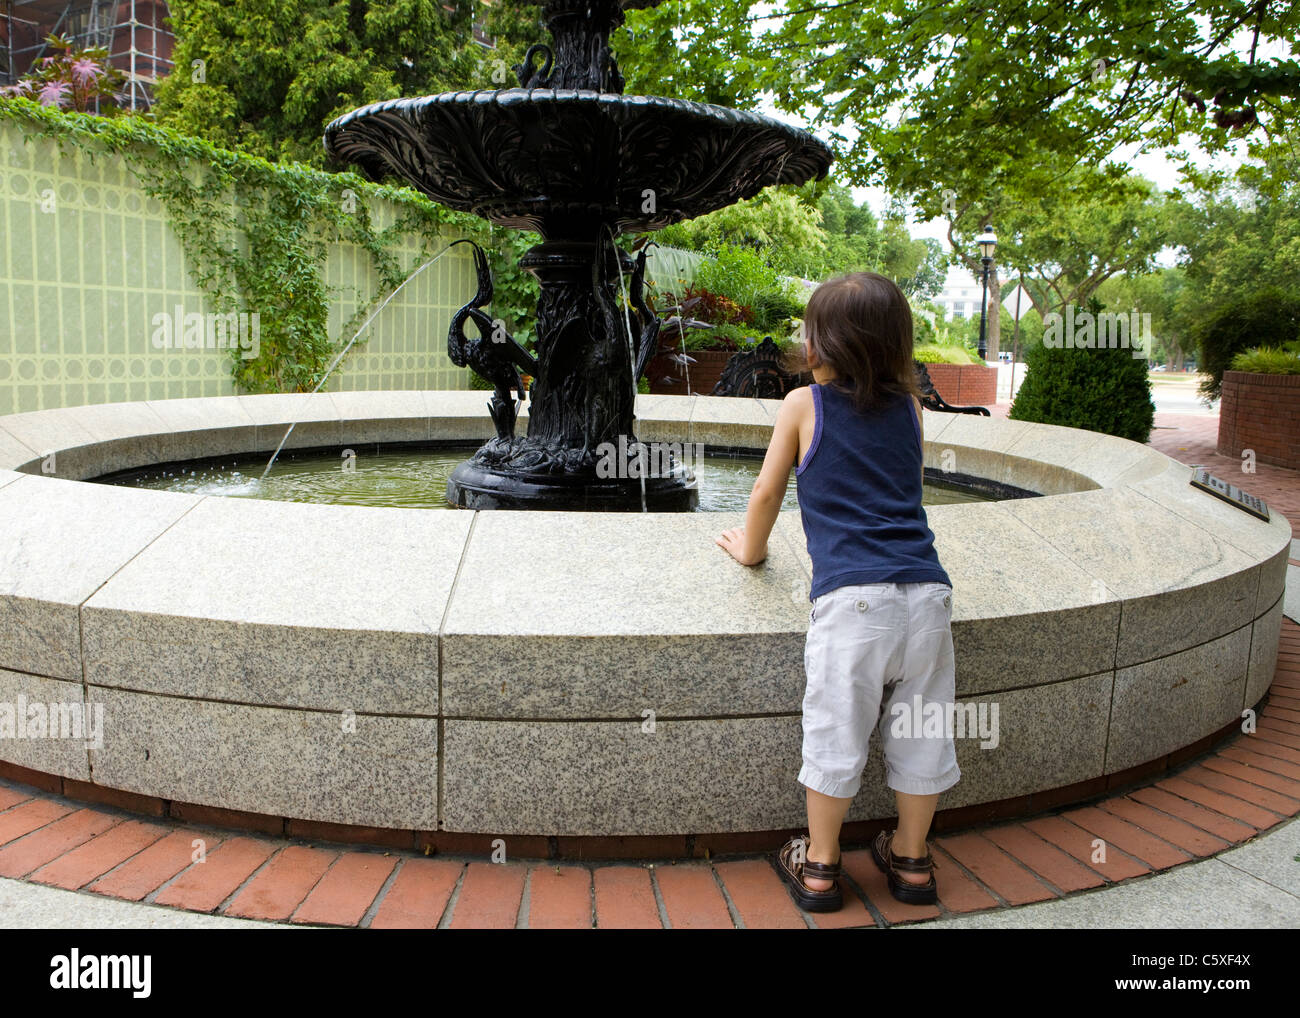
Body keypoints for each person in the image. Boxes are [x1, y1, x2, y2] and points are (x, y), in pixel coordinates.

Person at [715, 271, 961, 912]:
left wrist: (751, 549)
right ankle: (910, 862)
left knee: (837, 733)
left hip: (854, 605)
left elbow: (767, 493)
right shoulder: (910, 408)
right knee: (922, 732)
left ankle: (822, 867)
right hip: (927, 598)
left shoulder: (803, 406)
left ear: (822, 344)